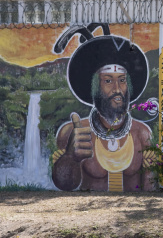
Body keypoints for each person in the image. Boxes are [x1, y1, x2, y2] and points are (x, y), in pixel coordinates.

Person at [52, 29, 154, 191]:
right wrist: (71, 157)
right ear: (95, 87)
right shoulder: (72, 132)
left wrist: (151, 170)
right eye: (108, 81)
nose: (117, 89)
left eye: (122, 80)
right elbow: (64, 185)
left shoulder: (142, 133)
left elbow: (149, 190)